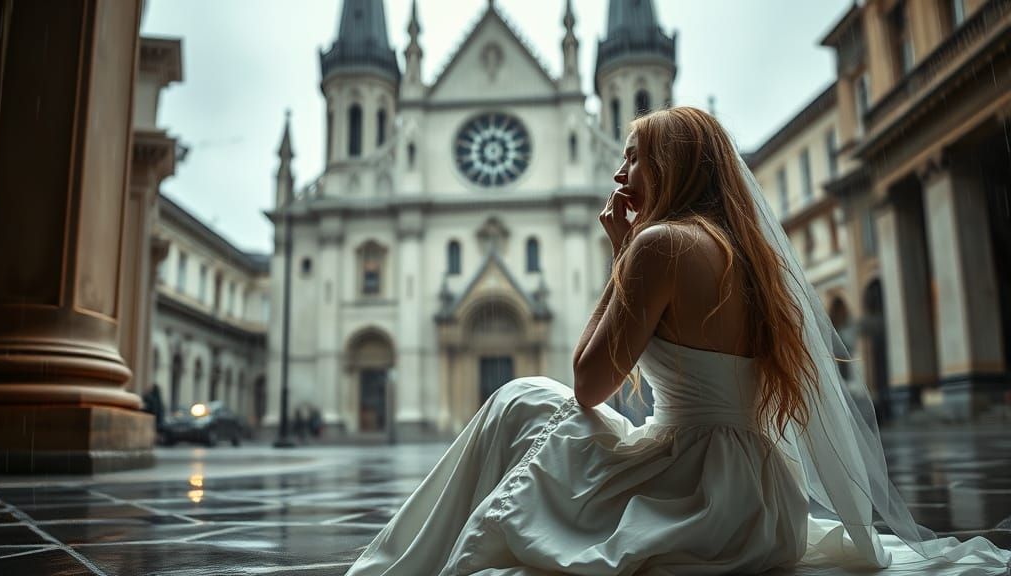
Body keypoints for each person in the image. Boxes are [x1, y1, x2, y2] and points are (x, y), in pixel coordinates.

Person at [345, 108, 1011, 575]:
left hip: (693, 490)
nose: (620, 173)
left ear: (671, 164)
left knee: (518, 399)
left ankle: (405, 563)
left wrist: (622, 255)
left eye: (633, 157)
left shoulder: (660, 245)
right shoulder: (748, 254)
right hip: (759, 496)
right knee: (530, 411)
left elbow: (587, 384)